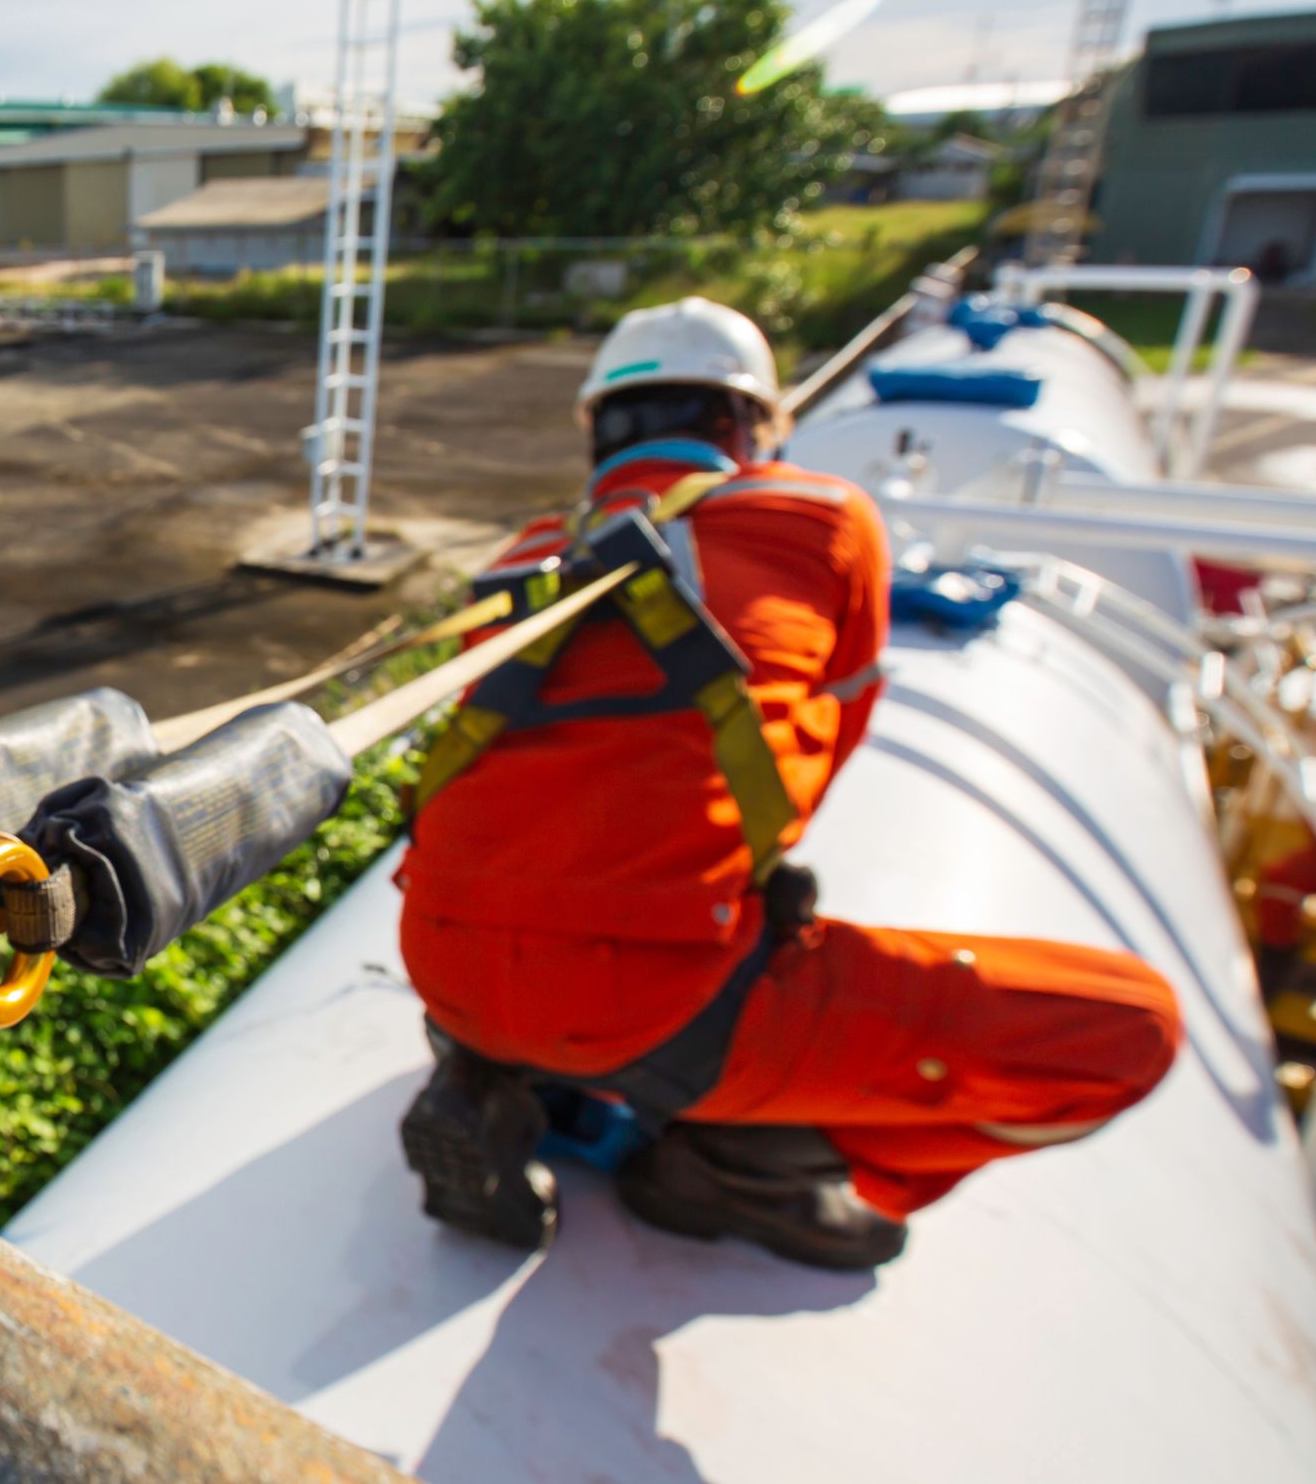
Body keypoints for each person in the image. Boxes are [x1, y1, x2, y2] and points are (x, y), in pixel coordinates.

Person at [394, 297, 1183, 1269]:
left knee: (568, 937)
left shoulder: (520, 561)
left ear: (598, 428)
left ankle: (495, 1068)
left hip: (442, 966)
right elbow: (807, 763)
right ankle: (731, 1162)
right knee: (1133, 1028)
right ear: (749, 425)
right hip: (663, 1005)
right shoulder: (823, 514)